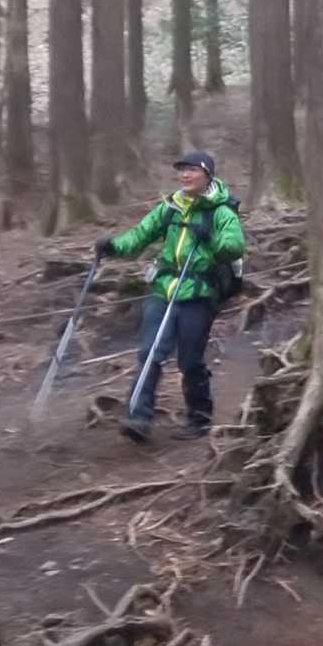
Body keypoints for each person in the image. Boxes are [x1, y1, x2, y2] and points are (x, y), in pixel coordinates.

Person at [95, 150, 246, 443]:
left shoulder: (221, 211)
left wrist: (210, 237)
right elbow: (140, 235)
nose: (185, 175)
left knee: (190, 360)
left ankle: (199, 418)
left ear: (207, 175)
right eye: (182, 170)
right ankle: (138, 417)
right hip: (163, 290)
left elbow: (234, 246)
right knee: (150, 351)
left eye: (192, 170)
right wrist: (113, 247)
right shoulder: (170, 208)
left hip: (199, 294)